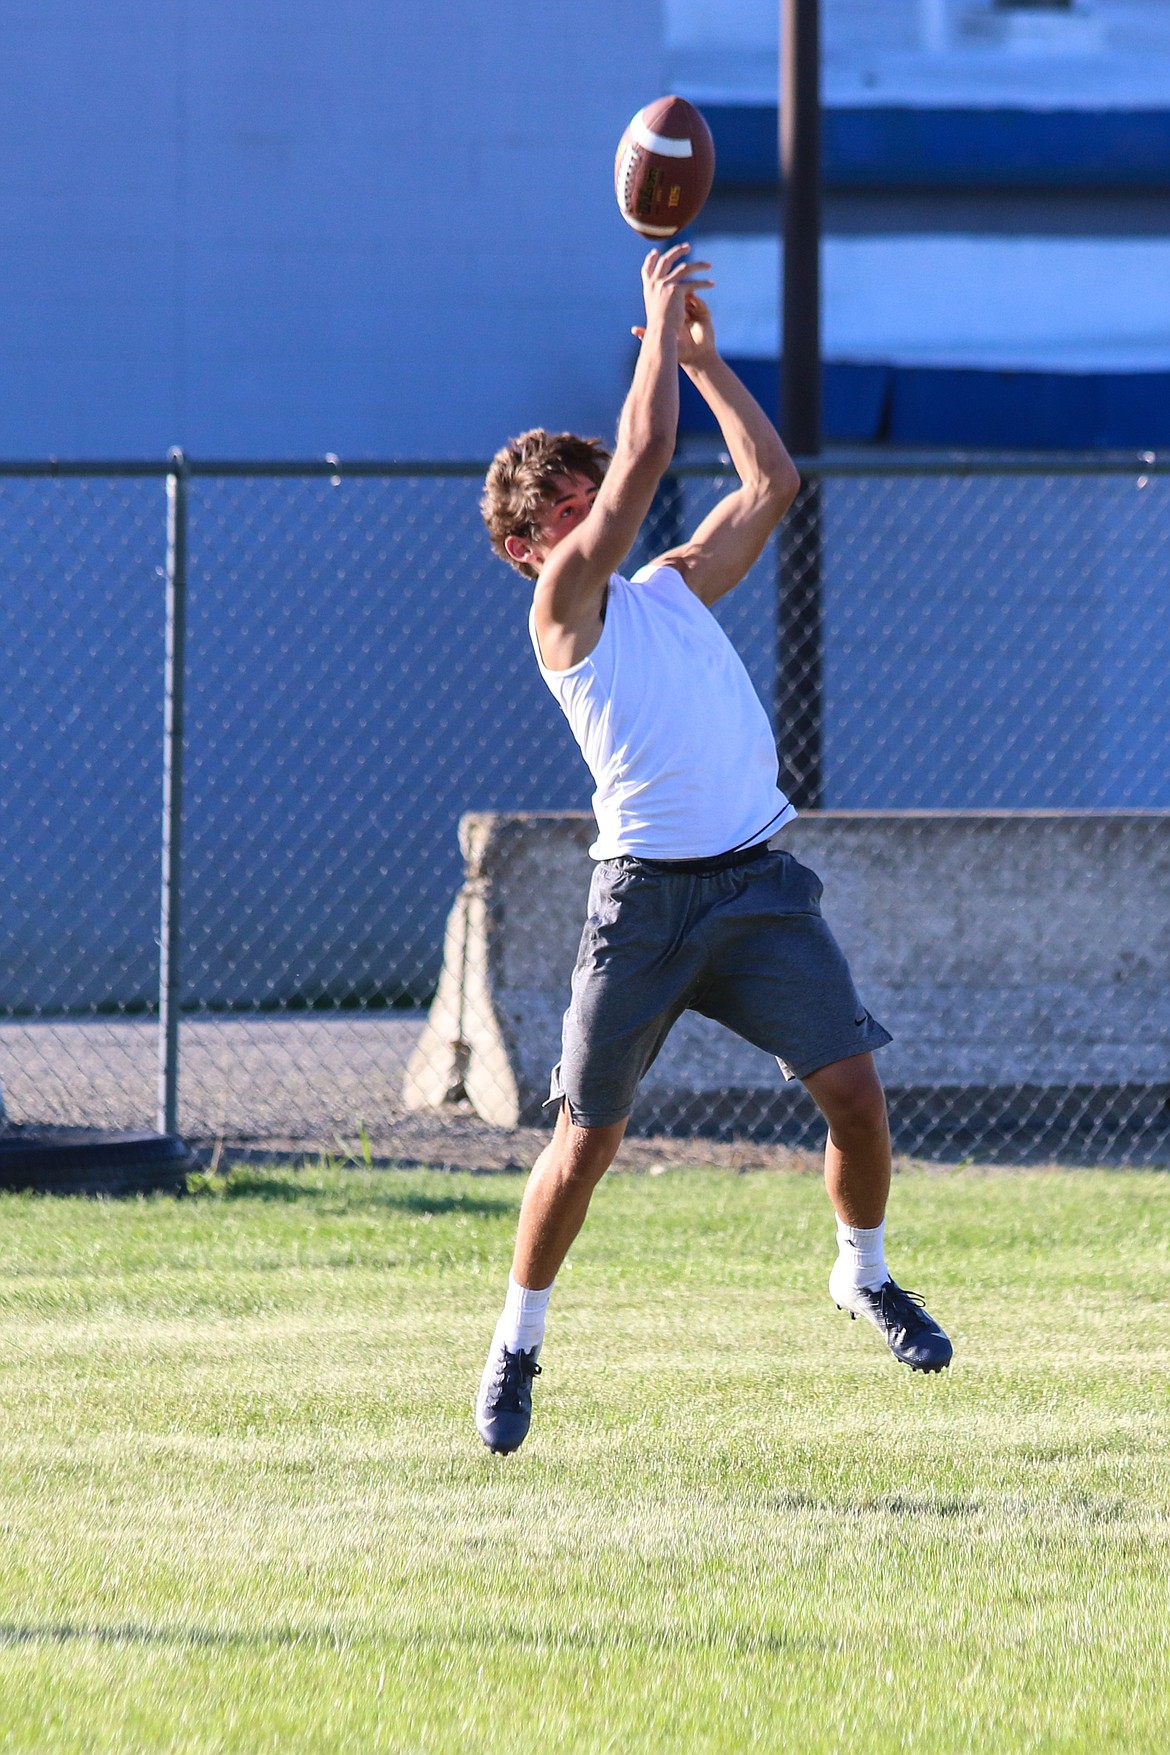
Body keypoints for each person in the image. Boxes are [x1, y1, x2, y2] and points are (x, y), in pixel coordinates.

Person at [474, 244, 951, 1455]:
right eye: (564, 511)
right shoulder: (563, 612)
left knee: (854, 1098)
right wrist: (650, 322)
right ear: (533, 548)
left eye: (582, 493)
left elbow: (772, 479)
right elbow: (640, 466)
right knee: (586, 1143)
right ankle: (515, 1346)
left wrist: (705, 362)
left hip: (755, 888)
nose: (588, 512)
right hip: (642, 903)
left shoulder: (672, 590)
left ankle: (863, 1273)